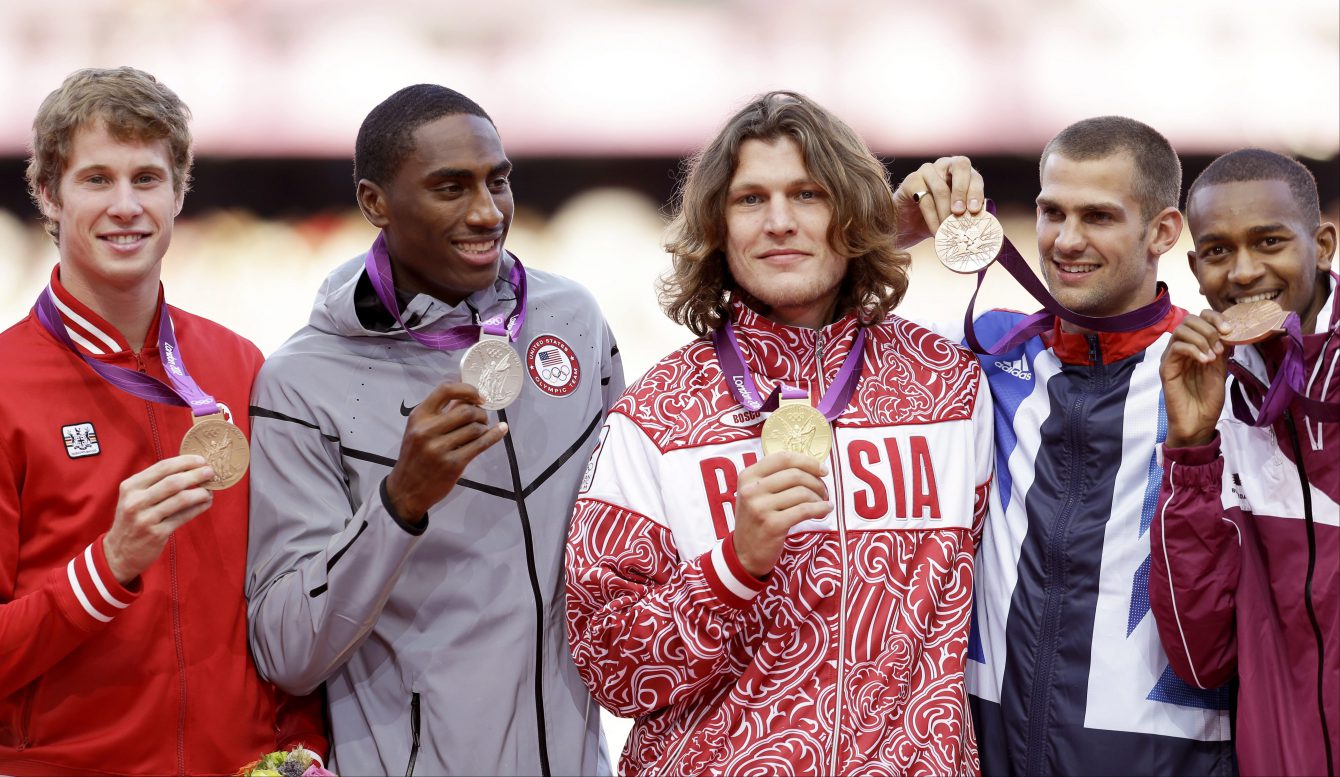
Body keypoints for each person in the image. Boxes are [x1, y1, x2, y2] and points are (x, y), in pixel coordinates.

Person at [565, 91, 994, 775]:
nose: (780, 222)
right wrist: (733, 566)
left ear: (853, 213)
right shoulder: (655, 418)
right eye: (749, 200)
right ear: (717, 225)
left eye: (809, 194)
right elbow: (611, 666)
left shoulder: (949, 387)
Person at [244, 84, 623, 775]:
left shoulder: (574, 320)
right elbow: (287, 651)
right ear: (374, 203)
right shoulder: (300, 383)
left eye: (498, 181)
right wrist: (399, 503)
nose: (486, 212)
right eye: (451, 187)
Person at [0, 67, 325, 775]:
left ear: (179, 192)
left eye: (147, 179)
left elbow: (287, 587)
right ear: (49, 196)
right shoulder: (4, 388)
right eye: (97, 179)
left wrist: (303, 749)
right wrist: (107, 565)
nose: (126, 206)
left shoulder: (240, 366)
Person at [899, 117, 1236, 775]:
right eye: (1053, 211)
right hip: (990, 747)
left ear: (1163, 232)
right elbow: (806, 321)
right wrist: (894, 227)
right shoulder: (982, 349)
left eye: (1099, 216)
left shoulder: (1223, 372)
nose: (1067, 239)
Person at [1150, 148, 1338, 777]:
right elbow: (1204, 657)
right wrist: (1190, 450)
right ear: (1195, 266)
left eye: (1270, 241)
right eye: (1218, 250)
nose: (1245, 271)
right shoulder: (1215, 396)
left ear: (1324, 245)